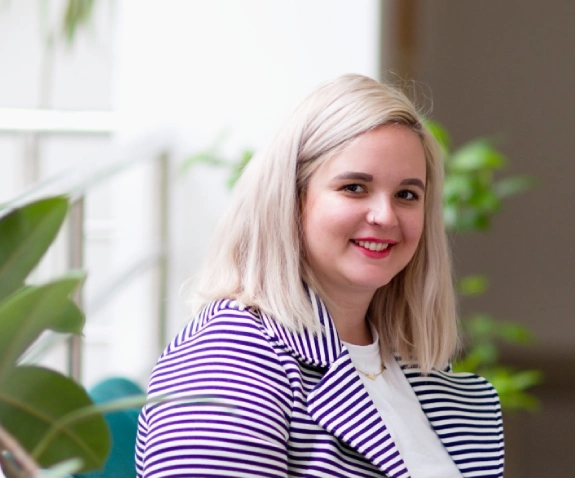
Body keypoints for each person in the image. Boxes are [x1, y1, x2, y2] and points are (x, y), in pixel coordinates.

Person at [135, 74, 504, 477]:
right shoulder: (225, 363)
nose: (385, 216)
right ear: (292, 198)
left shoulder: (414, 367)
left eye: (406, 195)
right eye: (354, 187)